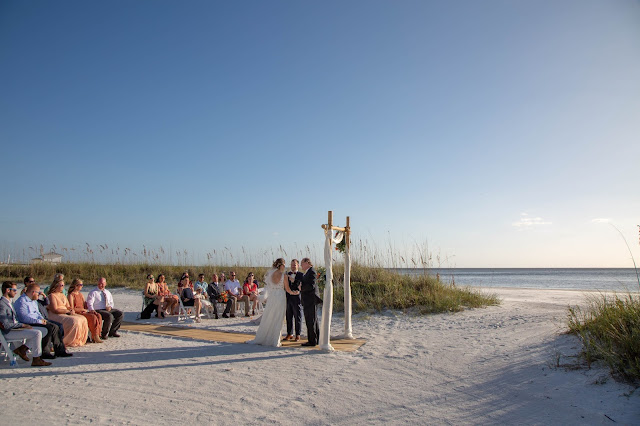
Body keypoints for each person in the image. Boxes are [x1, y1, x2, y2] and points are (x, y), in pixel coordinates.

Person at [14, 282, 72, 358]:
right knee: (49, 327)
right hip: (28, 323)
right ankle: (45, 352)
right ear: (33, 292)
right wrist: (39, 321)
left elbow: (37, 313)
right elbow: (24, 318)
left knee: (57, 326)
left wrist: (42, 319)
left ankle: (59, 350)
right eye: (38, 293)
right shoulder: (22, 301)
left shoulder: (33, 301)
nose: (39, 294)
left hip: (37, 320)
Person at [0, 281, 51, 366]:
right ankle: (36, 359)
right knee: (37, 333)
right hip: (8, 332)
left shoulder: (9, 302)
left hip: (15, 328)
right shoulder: (2, 304)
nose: (16, 292)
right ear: (8, 290)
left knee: (43, 330)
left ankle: (22, 349)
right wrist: (22, 325)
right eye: (14, 290)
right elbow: (5, 325)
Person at [247, 258, 296, 347]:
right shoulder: (283, 275)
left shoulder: (271, 274)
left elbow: (269, 287)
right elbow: (288, 289)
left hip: (272, 296)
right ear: (281, 265)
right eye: (284, 265)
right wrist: (294, 292)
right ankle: (274, 340)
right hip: (280, 296)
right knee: (278, 318)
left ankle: (264, 337)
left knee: (269, 316)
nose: (285, 266)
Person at [46, 276, 89, 347]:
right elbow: (55, 309)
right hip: (56, 314)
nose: (62, 287)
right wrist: (66, 311)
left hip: (65, 312)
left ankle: (79, 339)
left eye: (63, 285)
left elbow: (68, 306)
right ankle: (68, 340)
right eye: (61, 285)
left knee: (83, 319)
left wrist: (70, 309)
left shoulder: (62, 295)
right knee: (74, 321)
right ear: (56, 286)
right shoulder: (52, 296)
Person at [300, 257, 322, 347]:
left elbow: (311, 286)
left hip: (310, 299)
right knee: (313, 320)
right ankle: (316, 339)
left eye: (302, 263)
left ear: (307, 262)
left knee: (311, 320)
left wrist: (301, 288)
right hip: (308, 299)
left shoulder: (312, 272)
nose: (301, 265)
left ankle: (312, 341)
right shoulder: (308, 272)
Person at [284, 259, 304, 342]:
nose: (293, 266)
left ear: (298, 266)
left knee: (297, 316)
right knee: (288, 316)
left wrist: (294, 281)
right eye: (292, 265)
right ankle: (289, 333)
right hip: (288, 298)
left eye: (294, 265)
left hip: (297, 298)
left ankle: (298, 334)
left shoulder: (301, 275)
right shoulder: (287, 274)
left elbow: (301, 285)